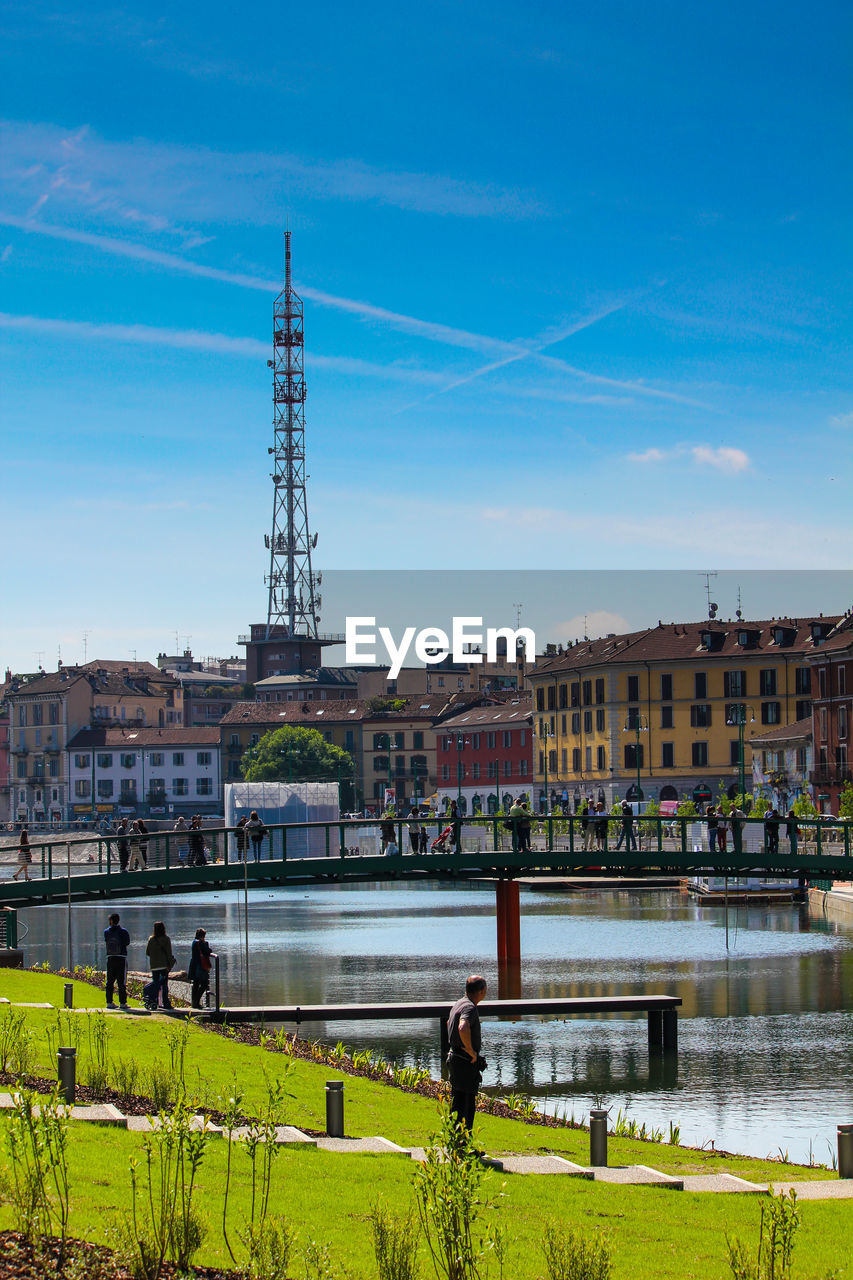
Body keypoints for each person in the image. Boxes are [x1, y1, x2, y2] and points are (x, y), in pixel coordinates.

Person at [446, 975, 488, 1135]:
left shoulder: (458, 1003)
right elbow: (462, 1027)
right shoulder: (470, 1007)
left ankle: (457, 1143)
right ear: (482, 991)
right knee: (466, 1105)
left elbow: (449, 1023)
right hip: (464, 1061)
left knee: (458, 1103)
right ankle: (464, 1145)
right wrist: (471, 1051)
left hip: (454, 1058)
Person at [143, 921, 175, 1010]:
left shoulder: (151, 939)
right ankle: (166, 1003)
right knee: (164, 986)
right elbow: (169, 953)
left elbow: (147, 952)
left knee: (156, 984)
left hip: (154, 966)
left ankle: (154, 1001)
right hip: (164, 966)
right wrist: (170, 964)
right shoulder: (166, 939)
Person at [104, 912, 130, 1009]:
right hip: (121, 958)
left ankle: (109, 1002)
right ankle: (123, 1003)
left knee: (110, 981)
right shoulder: (123, 931)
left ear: (111, 921)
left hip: (110, 958)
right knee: (121, 981)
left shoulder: (106, 932)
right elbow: (127, 942)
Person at [187, 927, 212, 1009]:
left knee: (196, 984)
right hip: (200, 967)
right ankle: (196, 1001)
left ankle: (194, 1003)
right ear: (202, 936)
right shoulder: (200, 943)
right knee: (204, 984)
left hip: (194, 965)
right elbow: (208, 951)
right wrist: (206, 943)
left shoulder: (194, 942)